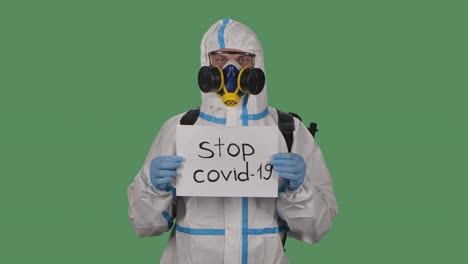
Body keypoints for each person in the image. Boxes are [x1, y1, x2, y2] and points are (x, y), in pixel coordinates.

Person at [127, 18, 338, 264]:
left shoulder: (287, 130)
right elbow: (145, 226)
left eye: (242, 60)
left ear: (257, 64)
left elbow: (316, 229)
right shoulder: (181, 128)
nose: (231, 70)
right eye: (220, 60)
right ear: (207, 64)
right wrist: (152, 187)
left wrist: (299, 190)